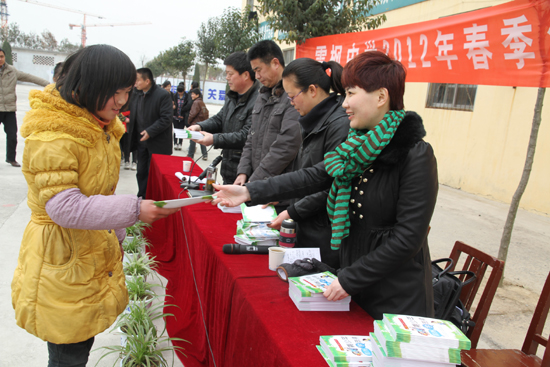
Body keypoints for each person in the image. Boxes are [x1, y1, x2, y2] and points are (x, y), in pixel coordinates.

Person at [213, 51, 438, 320]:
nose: (345, 104)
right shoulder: (356, 149)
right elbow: (311, 177)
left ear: (381, 97)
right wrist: (249, 191)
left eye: (352, 94)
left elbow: (408, 238)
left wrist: (350, 278)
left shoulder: (415, 154)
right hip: (352, 284)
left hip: (395, 297)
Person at [12, 44, 180, 367]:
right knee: (67, 354)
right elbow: (65, 207)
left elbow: (101, 189)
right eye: (115, 93)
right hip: (61, 259)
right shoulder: (53, 134)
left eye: (127, 92)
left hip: (88, 254)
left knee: (79, 344)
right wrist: (133, 210)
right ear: (89, 87)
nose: (122, 102)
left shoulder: (99, 126)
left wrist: (114, 235)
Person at [265, 57, 350, 269]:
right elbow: (306, 173)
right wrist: (282, 195)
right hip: (309, 223)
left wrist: (293, 211)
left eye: (293, 96)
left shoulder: (340, 125)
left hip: (326, 231)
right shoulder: (314, 119)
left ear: (312, 90)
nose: (291, 103)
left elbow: (331, 185)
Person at [235, 40, 301, 212]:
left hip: (280, 194)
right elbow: (251, 137)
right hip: (258, 187)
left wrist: (255, 182)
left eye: (258, 70)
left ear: (275, 63)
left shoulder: (292, 97)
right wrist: (243, 172)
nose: (256, 76)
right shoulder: (263, 95)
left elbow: (286, 146)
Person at [188, 51, 260, 184]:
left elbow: (246, 135)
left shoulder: (259, 100)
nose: (227, 77)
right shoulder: (232, 96)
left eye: (230, 74)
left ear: (245, 75)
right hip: (228, 167)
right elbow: (219, 119)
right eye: (226, 73)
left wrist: (214, 139)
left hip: (246, 172)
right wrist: (200, 126)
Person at [128, 68, 173, 198]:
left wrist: (150, 131)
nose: (135, 83)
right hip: (141, 141)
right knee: (141, 172)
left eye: (137, 80)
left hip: (157, 142)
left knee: (154, 174)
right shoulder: (136, 94)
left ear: (147, 81)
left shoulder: (162, 95)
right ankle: (142, 198)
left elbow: (166, 118)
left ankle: (153, 200)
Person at [0, 48, 49, 167]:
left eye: (1, 56)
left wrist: (49, 85)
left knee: (12, 135)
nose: (0, 59)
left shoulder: (12, 71)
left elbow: (30, 77)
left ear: (4, 57)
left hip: (10, 109)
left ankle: (11, 159)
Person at [186, 88, 209, 160]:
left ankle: (190, 155)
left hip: (195, 123)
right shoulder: (201, 102)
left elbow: (192, 114)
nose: (191, 95)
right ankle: (205, 155)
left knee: (193, 140)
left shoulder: (196, 102)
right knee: (201, 139)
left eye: (193, 94)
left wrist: (189, 121)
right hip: (201, 123)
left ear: (197, 95)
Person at [173, 82, 192, 150]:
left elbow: (188, 106)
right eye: (179, 92)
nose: (180, 93)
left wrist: (182, 114)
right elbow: (173, 105)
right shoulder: (175, 96)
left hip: (183, 116)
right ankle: (175, 143)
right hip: (175, 116)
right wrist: (177, 114)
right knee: (176, 130)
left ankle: (180, 143)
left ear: (184, 90)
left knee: (181, 130)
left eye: (181, 92)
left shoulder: (187, 96)